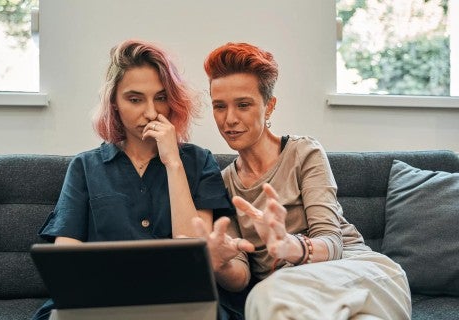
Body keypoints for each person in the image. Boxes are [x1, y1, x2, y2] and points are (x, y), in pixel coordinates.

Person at [194, 42, 412, 320]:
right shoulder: (223, 184)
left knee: (266, 295)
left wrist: (289, 246)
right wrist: (219, 263)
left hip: (361, 273)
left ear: (269, 106)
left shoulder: (303, 152)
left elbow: (332, 243)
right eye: (219, 106)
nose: (230, 119)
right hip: (302, 301)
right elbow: (240, 277)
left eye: (243, 105)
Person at [31, 39, 233, 320]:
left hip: (177, 303)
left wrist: (172, 163)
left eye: (161, 98)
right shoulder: (85, 167)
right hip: (100, 303)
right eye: (135, 99)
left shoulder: (199, 162)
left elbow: (193, 255)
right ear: (114, 102)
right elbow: (68, 262)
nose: (151, 113)